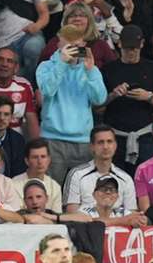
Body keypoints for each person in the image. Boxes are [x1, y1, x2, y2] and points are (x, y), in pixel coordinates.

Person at [37, 25, 108, 184]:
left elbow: (99, 99)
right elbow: (47, 90)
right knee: (52, 193)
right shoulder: (46, 67)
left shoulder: (91, 69)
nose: (73, 50)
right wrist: (62, 63)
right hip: (53, 139)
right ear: (59, 45)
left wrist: (90, 71)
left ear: (83, 45)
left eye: (77, 46)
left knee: (83, 195)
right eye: (69, 46)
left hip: (83, 140)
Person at [101, 24, 153, 173]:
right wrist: (113, 95)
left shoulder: (152, 68)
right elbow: (97, 106)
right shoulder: (108, 69)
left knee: (145, 179)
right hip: (115, 135)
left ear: (142, 45)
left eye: (134, 48)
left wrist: (148, 96)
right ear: (119, 44)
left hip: (143, 136)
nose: (131, 51)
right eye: (127, 48)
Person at [64, 125, 140, 216]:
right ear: (92, 146)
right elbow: (72, 215)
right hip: (85, 228)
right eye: (100, 142)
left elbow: (132, 215)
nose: (105, 146)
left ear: (115, 145)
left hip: (119, 228)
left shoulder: (126, 178)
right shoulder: (76, 174)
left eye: (109, 142)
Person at [39, 1, 118, 68]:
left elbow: (113, 70)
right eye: (72, 16)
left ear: (89, 21)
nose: (77, 19)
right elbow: (43, 67)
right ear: (66, 21)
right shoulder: (55, 42)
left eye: (82, 16)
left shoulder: (101, 45)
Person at [75, 175, 147, 226]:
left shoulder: (121, 212)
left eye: (112, 190)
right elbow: (88, 221)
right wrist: (124, 221)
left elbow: (137, 219)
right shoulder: (85, 210)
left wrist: (140, 220)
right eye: (103, 189)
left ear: (117, 196)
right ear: (94, 194)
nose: (108, 192)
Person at [11, 137, 62, 209]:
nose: (40, 162)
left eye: (43, 157)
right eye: (35, 157)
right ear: (27, 161)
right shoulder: (13, 184)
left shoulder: (55, 187)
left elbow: (57, 216)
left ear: (49, 160)